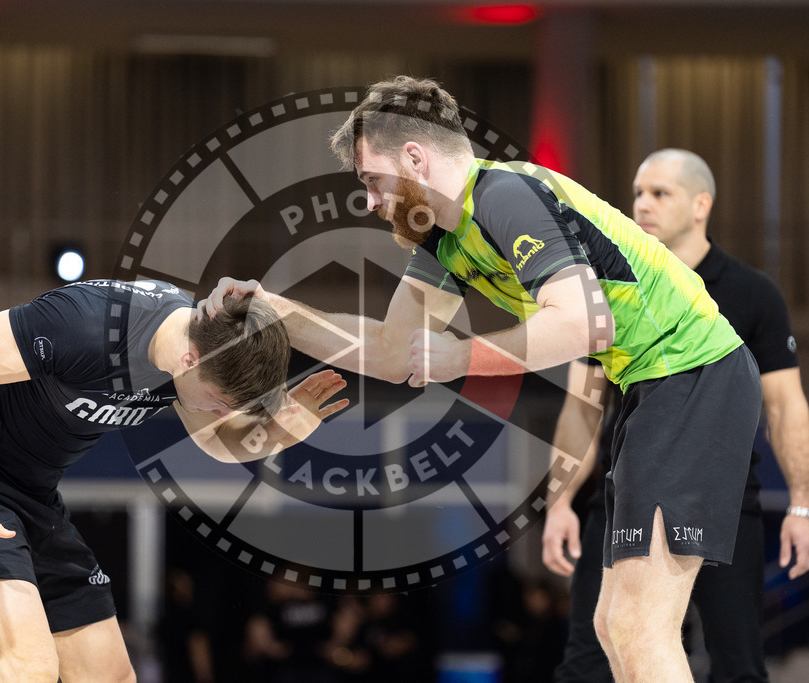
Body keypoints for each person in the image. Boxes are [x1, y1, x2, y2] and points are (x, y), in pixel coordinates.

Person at [204, 76, 763, 681]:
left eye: (371, 179)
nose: (368, 200)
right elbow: (394, 353)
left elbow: (581, 325)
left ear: (415, 158)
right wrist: (278, 313)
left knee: (640, 623)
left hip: (693, 370)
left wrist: (458, 357)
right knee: (614, 623)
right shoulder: (445, 238)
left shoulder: (504, 195)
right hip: (651, 384)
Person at [0, 278, 348, 683]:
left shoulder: (202, 350)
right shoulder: (86, 325)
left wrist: (279, 432)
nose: (223, 414)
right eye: (219, 402)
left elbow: (217, 444)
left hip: (36, 500)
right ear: (189, 359)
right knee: (31, 667)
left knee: (113, 677)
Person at [542, 149, 809, 681]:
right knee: (590, 659)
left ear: (701, 205)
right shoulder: (611, 290)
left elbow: (786, 408)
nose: (642, 205)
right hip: (622, 497)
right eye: (638, 193)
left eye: (659, 193)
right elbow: (582, 407)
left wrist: (804, 506)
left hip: (725, 502)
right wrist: (559, 503)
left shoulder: (752, 293)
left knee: (738, 666)